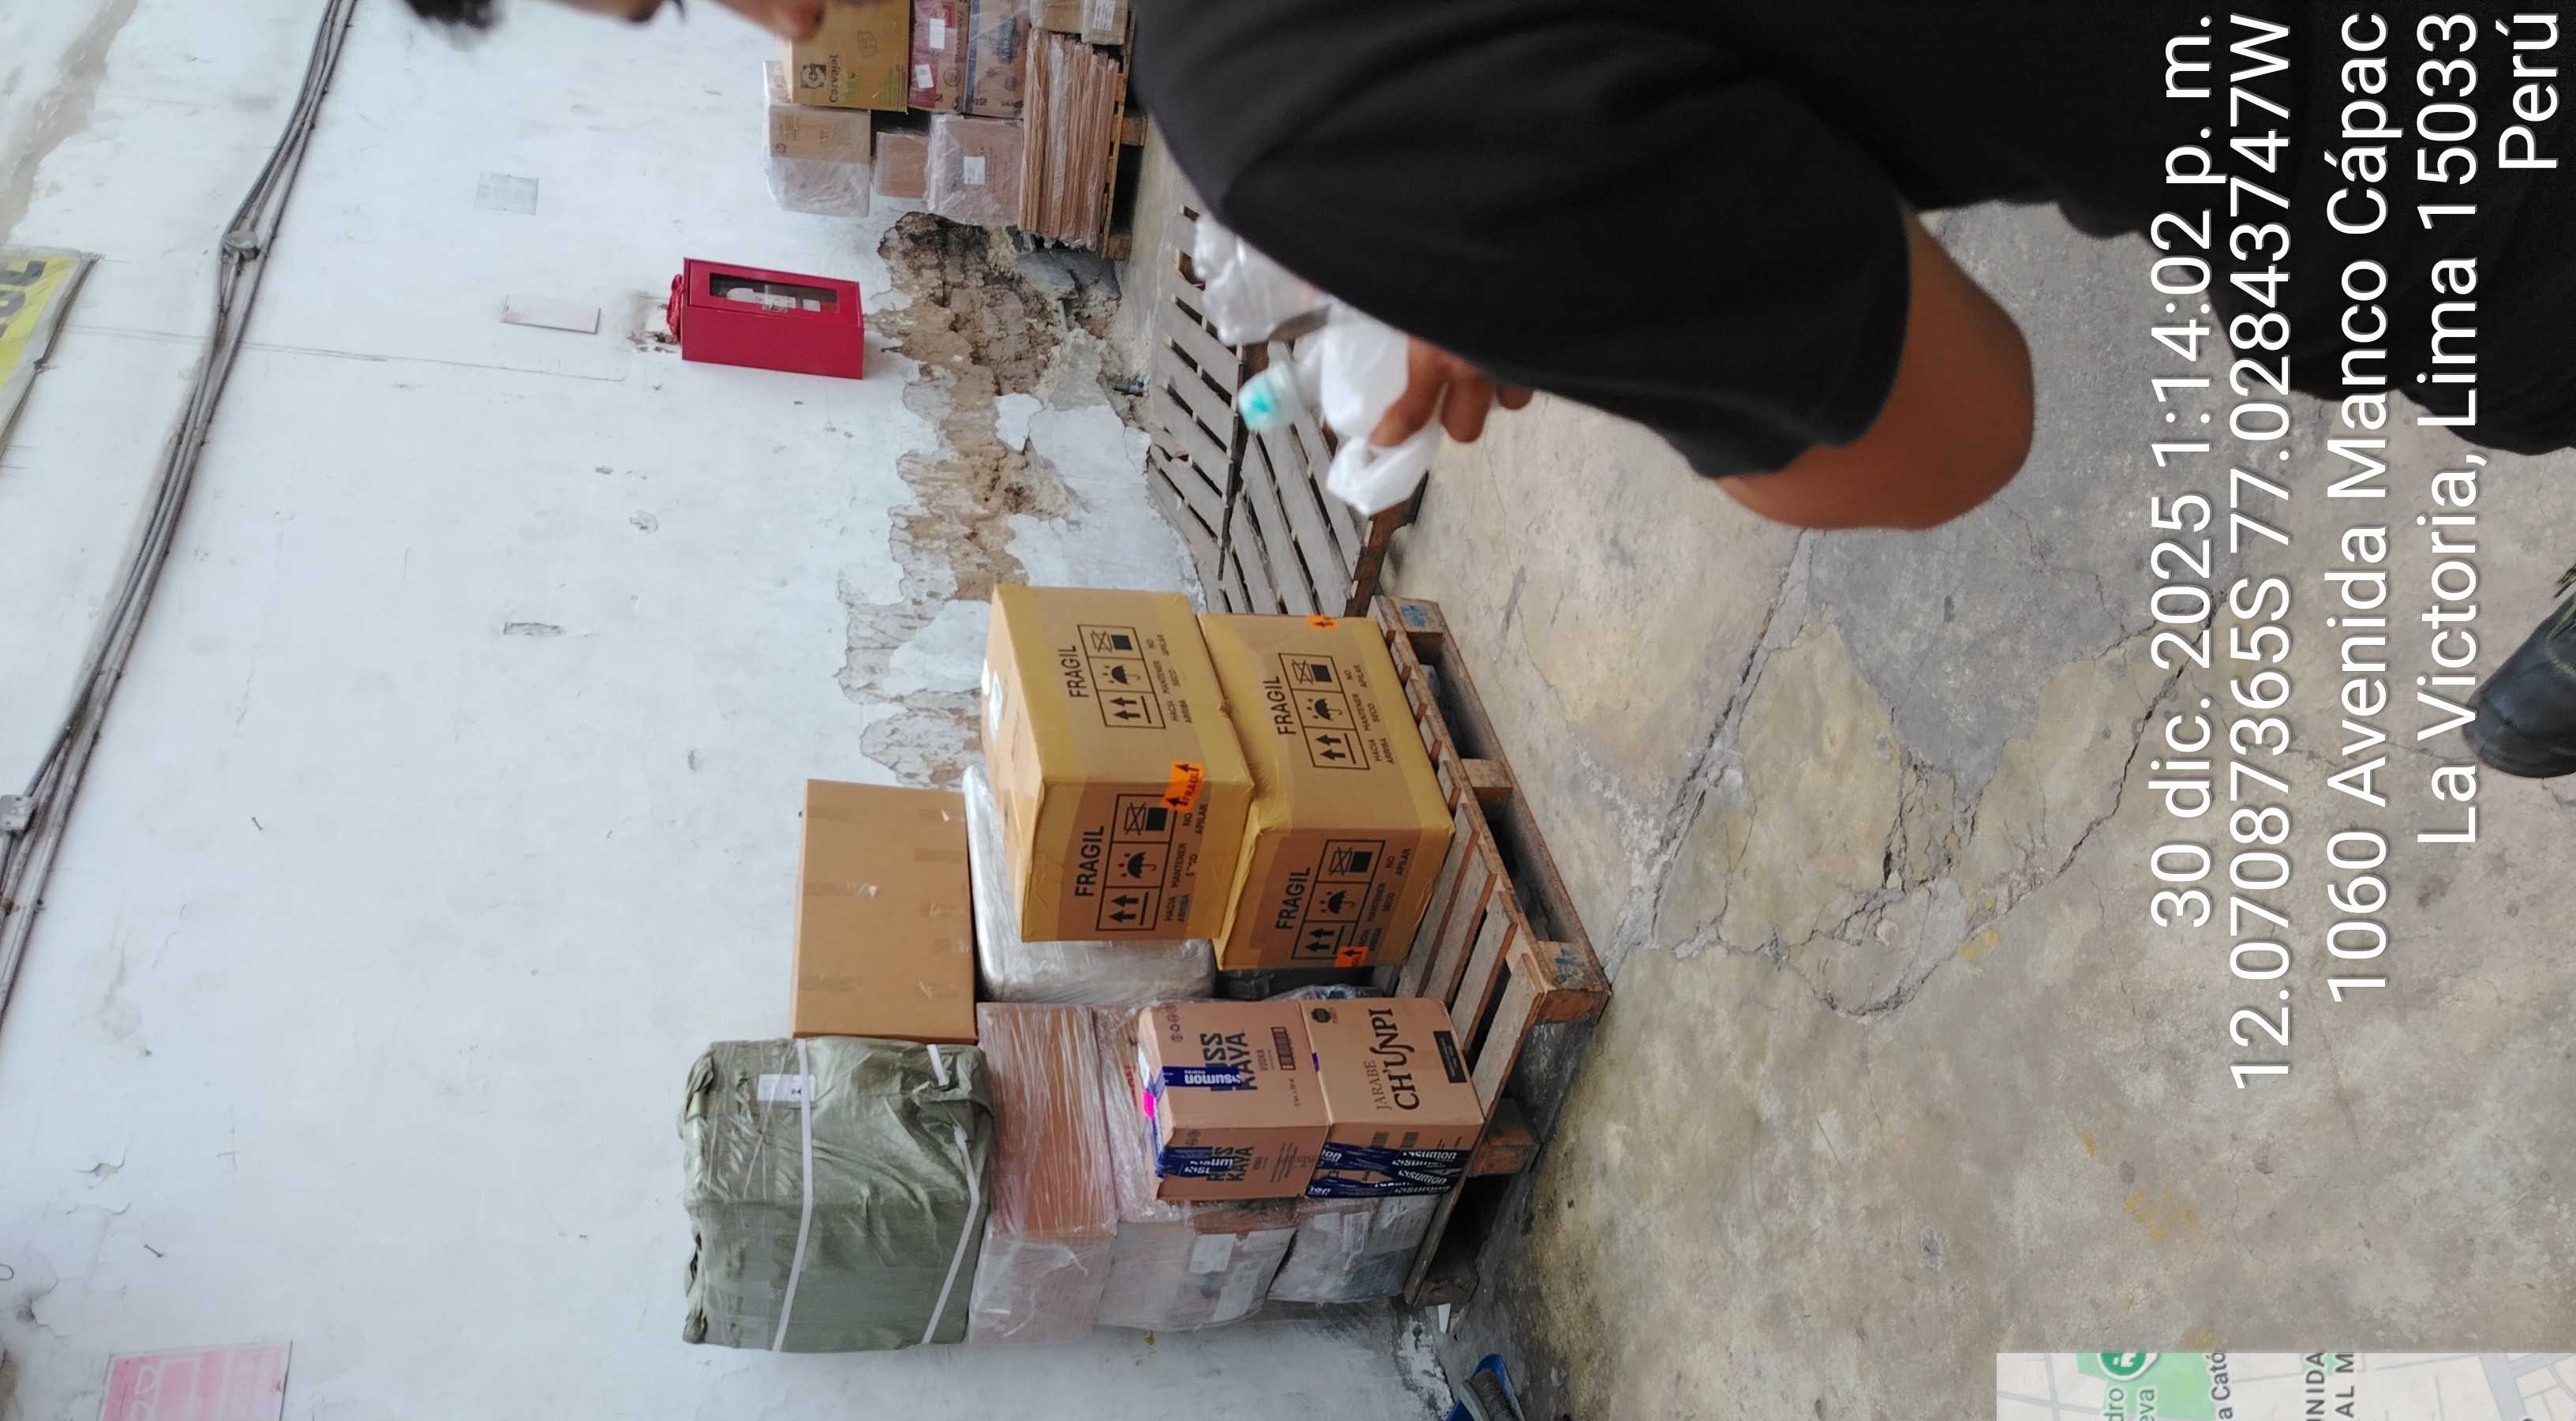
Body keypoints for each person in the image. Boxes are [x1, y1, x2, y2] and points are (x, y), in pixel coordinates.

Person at [410, 0, 2576, 776]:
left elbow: (1947, 425)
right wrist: (1555, 172)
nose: (790, 39)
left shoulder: (1285, 102)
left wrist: (1561, 289)